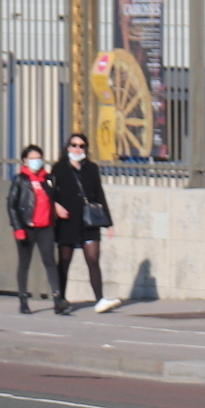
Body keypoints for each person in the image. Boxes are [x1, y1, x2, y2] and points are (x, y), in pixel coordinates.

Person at [47, 131, 115, 313]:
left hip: (88, 220)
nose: (78, 149)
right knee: (65, 260)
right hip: (67, 220)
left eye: (81, 146)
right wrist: (56, 206)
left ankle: (100, 299)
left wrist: (108, 222)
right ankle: (59, 300)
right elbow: (49, 192)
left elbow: (99, 194)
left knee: (93, 258)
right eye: (74, 145)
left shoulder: (91, 168)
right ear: (68, 148)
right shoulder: (59, 168)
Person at [4, 143, 67, 317]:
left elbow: (53, 198)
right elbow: (11, 204)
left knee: (50, 262)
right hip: (27, 227)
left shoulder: (47, 179)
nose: (35, 162)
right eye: (32, 159)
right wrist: (18, 228)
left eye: (38, 158)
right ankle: (23, 300)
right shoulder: (20, 180)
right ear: (25, 160)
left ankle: (57, 299)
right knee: (24, 263)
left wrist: (57, 208)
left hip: (46, 227)